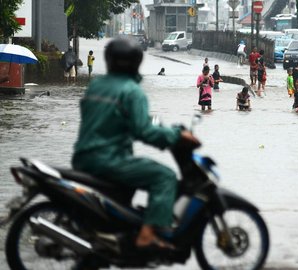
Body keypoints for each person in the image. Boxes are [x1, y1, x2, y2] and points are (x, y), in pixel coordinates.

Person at [72, 38, 201, 252]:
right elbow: (144, 132)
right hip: (110, 159)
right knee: (165, 177)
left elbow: (112, 117)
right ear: (135, 63)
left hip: (83, 157)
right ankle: (148, 234)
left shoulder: (96, 85)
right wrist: (176, 135)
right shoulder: (133, 92)